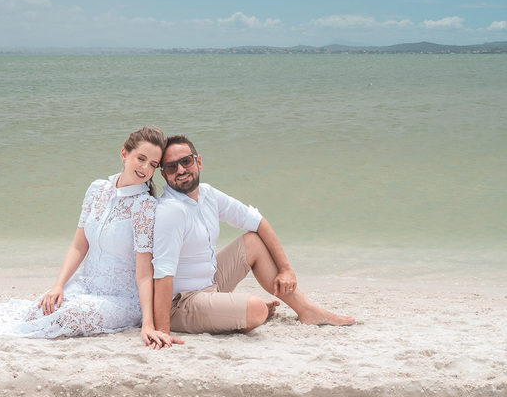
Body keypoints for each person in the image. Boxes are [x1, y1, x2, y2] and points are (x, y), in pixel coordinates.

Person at [0, 127, 182, 349]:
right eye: (140, 158)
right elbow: (78, 246)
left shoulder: (144, 206)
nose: (145, 168)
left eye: (152, 164)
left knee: (67, 316)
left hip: (121, 299)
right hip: (85, 284)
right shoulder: (97, 189)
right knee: (39, 309)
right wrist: (58, 285)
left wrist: (148, 324)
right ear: (124, 154)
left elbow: (144, 273)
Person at [151, 135, 355, 336]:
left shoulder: (207, 194)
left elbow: (258, 222)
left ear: (199, 162)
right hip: (180, 303)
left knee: (253, 242)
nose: (180, 170)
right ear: (164, 174)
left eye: (186, 162)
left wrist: (286, 270)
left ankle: (307, 311)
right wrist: (162, 331)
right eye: (171, 167)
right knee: (257, 308)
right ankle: (235, 314)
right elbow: (161, 273)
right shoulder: (171, 211)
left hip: (210, 284)